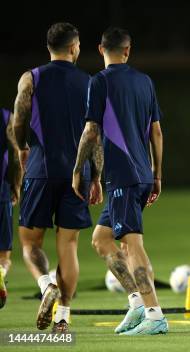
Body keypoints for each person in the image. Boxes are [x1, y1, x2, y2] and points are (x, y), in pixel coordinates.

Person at [73, 27, 166, 335]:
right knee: (101, 239)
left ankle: (155, 316)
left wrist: (80, 172)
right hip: (136, 175)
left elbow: (91, 132)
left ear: (101, 50)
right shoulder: (145, 81)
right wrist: (157, 174)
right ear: (128, 50)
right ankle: (137, 303)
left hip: (123, 177)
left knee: (132, 245)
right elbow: (156, 132)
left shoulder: (98, 82)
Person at [12, 22, 98, 332]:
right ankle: (62, 317)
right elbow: (94, 133)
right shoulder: (90, 82)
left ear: (49, 47)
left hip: (40, 168)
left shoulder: (31, 78)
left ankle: (46, 284)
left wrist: (22, 149)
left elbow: (18, 121)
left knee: (30, 243)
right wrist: (96, 176)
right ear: (75, 47)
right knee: (69, 246)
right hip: (78, 174)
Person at [0, 108, 22, 310]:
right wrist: (15, 186)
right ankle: (0, 272)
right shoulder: (6, 117)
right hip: (2, 193)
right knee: (4, 257)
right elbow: (15, 153)